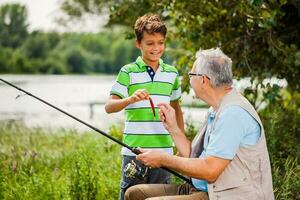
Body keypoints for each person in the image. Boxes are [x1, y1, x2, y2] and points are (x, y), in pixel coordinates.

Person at [125, 48, 274, 200]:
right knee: (134, 193)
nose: (189, 79)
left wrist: (163, 159)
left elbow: (210, 171)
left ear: (203, 80)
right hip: (201, 188)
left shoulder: (232, 114)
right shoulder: (216, 108)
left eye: (191, 75)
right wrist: (172, 127)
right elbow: (193, 156)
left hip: (224, 195)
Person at [105, 13, 184, 200]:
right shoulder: (128, 72)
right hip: (135, 154)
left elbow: (177, 110)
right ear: (138, 44)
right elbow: (109, 107)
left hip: (164, 154)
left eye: (161, 42)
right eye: (150, 43)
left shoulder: (172, 74)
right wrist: (130, 99)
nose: (156, 48)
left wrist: (180, 144)